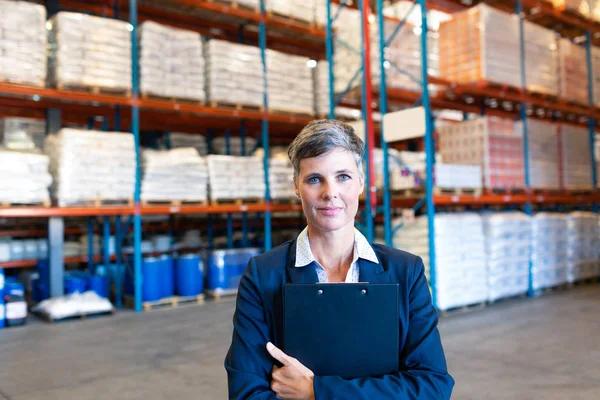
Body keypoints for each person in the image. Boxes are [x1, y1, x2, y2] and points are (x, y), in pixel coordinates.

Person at [225, 119, 454, 399]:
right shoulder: (263, 275)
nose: (330, 192)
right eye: (314, 179)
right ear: (297, 186)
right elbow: (247, 393)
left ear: (361, 182)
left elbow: (432, 386)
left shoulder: (405, 272)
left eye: (343, 176)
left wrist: (315, 391)